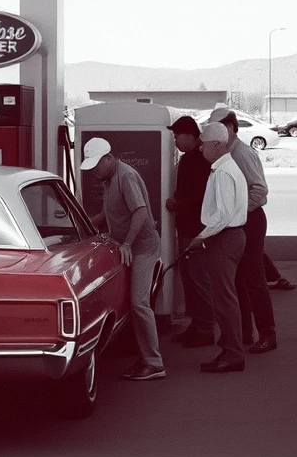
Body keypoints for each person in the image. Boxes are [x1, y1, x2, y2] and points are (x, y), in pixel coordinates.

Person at [80, 137, 165, 381]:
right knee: (132, 303)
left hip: (143, 247)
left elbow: (140, 211)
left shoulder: (125, 177)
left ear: (109, 158)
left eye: (97, 164)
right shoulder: (109, 178)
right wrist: (80, 226)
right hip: (129, 246)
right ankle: (146, 355)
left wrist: (127, 243)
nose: (94, 171)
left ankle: (154, 363)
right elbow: (108, 214)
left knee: (139, 303)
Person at [208, 107, 277, 353]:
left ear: (228, 127)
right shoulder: (226, 152)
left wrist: (237, 211)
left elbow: (259, 189)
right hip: (238, 220)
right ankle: (244, 332)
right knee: (237, 279)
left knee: (254, 278)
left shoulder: (242, 153)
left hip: (250, 220)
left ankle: (267, 334)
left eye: (215, 129)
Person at [186, 123, 249, 372]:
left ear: (216, 145)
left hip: (224, 238)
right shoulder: (226, 167)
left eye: (203, 143)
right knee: (225, 296)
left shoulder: (223, 172)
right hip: (229, 236)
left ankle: (233, 353)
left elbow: (222, 215)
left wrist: (200, 237)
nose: (200, 148)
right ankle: (229, 348)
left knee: (224, 298)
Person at [164, 115, 216, 348]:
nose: (175, 141)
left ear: (190, 135)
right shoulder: (188, 159)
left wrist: (179, 203)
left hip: (196, 231)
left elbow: (202, 198)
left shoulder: (201, 160)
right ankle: (195, 325)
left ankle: (205, 328)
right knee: (189, 280)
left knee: (199, 279)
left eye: (177, 136)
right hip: (186, 228)